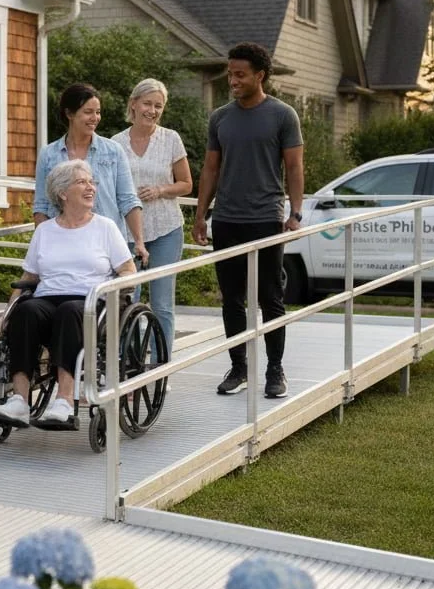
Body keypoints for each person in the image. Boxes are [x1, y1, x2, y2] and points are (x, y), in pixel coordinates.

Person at [192, 42, 304, 399]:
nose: (233, 80)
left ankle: (275, 370)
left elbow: (295, 167)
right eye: (230, 73)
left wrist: (295, 213)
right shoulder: (220, 117)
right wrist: (200, 216)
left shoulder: (283, 115)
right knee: (231, 299)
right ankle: (239, 367)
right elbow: (210, 169)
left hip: (265, 220)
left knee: (270, 298)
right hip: (226, 219)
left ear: (260, 75)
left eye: (240, 74)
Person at [0, 160, 136, 426]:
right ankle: (19, 401)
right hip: (47, 299)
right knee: (26, 311)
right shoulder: (45, 231)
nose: (91, 187)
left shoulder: (105, 227)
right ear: (62, 193)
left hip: (90, 302)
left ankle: (65, 400)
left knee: (69, 312)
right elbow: (28, 278)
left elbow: (128, 270)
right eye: (82, 182)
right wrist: (7, 312)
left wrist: (111, 287)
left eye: (92, 182)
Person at [112, 78, 192, 359]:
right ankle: (129, 367)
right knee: (126, 302)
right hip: (128, 234)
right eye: (147, 104)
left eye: (158, 106)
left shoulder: (171, 139)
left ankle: (161, 368)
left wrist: (160, 190)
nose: (153, 110)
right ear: (133, 104)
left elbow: (186, 184)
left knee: (162, 304)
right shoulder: (115, 144)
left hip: (166, 229)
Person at [33, 83, 149, 266]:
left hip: (108, 245)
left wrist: (139, 242)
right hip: (64, 244)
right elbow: (41, 205)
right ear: (69, 113)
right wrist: (42, 246)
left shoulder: (113, 151)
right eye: (88, 112)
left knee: (118, 293)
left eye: (98, 112)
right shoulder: (48, 154)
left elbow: (128, 199)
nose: (95, 118)